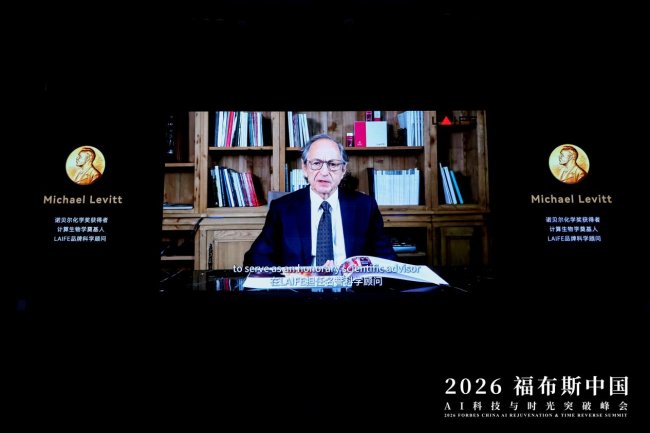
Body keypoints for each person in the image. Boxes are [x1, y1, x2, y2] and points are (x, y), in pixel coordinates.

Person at [244, 133, 397, 267]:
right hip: (300, 288)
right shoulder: (282, 208)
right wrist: (293, 276)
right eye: (316, 163)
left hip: (351, 287)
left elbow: (388, 260)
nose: (324, 172)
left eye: (333, 164)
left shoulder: (365, 206)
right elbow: (254, 260)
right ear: (305, 168)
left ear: (343, 170)